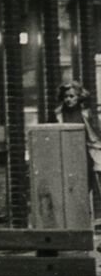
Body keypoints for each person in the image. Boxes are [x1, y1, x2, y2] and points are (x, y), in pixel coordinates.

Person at [54, 82, 101, 211]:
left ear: (78, 97)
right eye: (65, 97)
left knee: (87, 184)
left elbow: (94, 134)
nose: (68, 99)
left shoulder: (86, 114)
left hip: (84, 154)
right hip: (65, 154)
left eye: (72, 96)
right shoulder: (58, 114)